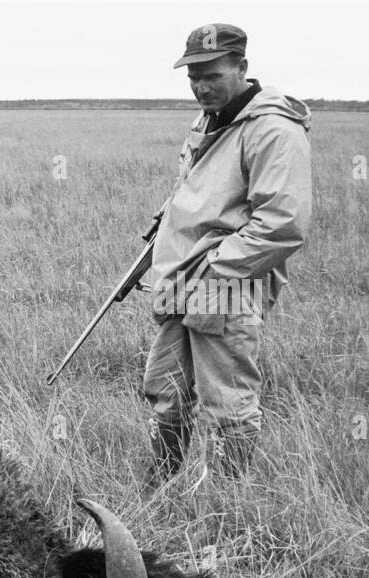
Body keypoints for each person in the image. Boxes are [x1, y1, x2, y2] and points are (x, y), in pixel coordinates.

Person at [144, 23, 312, 481]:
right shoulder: (209, 119)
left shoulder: (273, 129)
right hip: (181, 274)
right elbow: (195, 193)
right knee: (165, 389)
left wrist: (216, 270)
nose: (201, 87)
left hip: (226, 281)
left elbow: (283, 223)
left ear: (242, 67)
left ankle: (225, 501)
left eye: (213, 75)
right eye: (193, 77)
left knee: (227, 402)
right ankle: (163, 486)